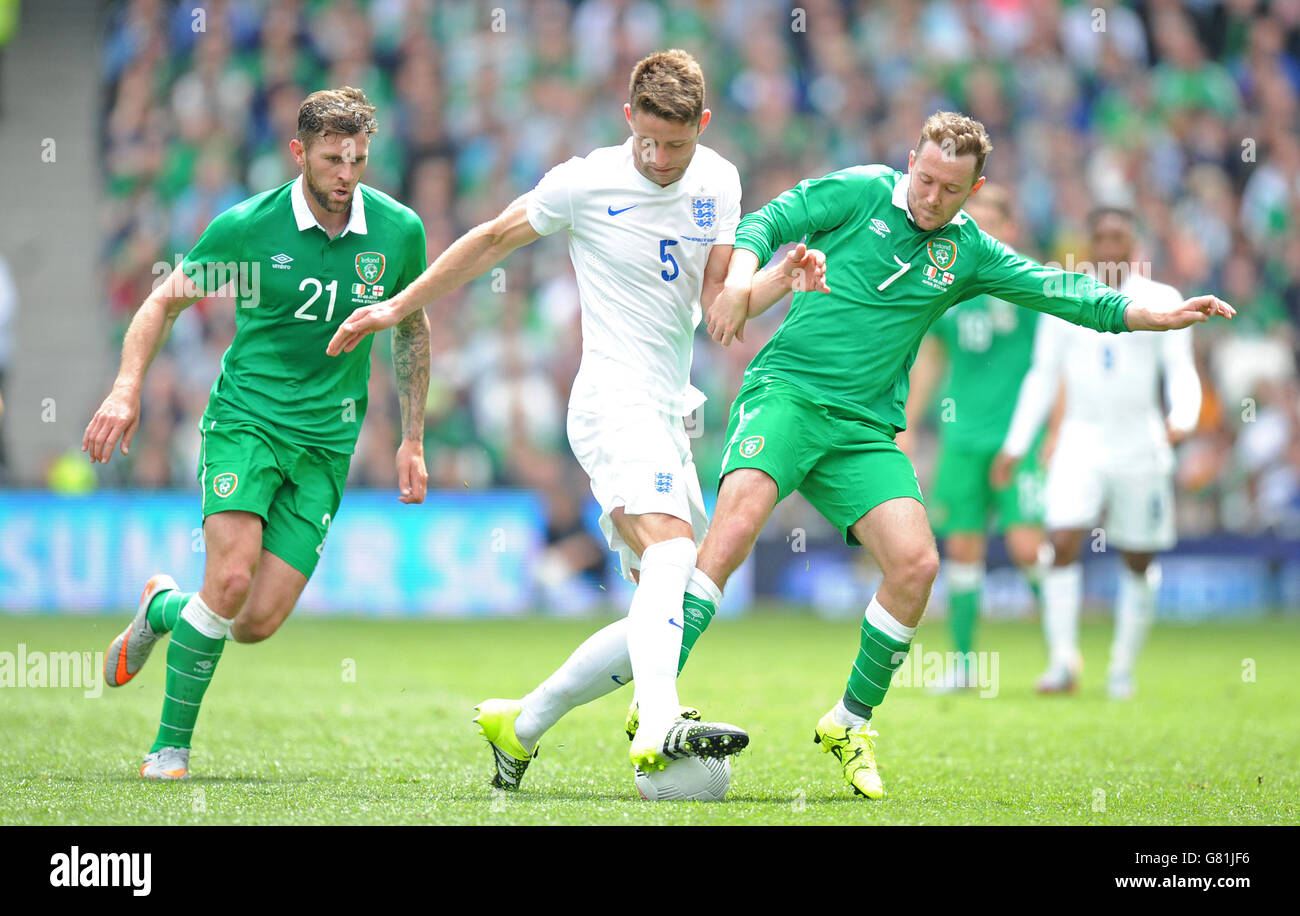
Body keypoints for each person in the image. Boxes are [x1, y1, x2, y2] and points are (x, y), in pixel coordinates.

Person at [690, 111, 1233, 799]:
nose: (932, 197)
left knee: (917, 566)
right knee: (734, 530)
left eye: (951, 189)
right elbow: (764, 222)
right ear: (911, 159)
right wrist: (740, 285)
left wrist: (1148, 316)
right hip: (789, 394)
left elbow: (1058, 289)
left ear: (973, 189)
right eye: (926, 178)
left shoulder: (968, 251)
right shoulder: (858, 192)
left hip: (862, 427)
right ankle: (655, 700)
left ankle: (849, 722)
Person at [328, 50, 824, 787]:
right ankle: (659, 719)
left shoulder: (719, 180)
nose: (659, 158)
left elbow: (722, 308)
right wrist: (402, 305)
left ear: (703, 128)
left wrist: (779, 279)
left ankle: (520, 723)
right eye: (648, 139)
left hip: (669, 411)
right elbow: (493, 237)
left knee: (668, 607)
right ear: (629, 117)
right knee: (672, 556)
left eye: (676, 145)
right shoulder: (585, 181)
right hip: (610, 401)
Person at [83, 87, 432, 780]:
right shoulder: (246, 228)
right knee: (232, 575)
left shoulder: (398, 232)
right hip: (248, 420)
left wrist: (412, 438)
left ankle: (162, 606)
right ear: (299, 152)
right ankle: (169, 747)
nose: (346, 174)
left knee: (255, 620)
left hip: (327, 443)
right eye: (333, 158)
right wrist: (127, 389)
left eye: (358, 159)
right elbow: (163, 304)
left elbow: (412, 332)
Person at [991, 207, 1201, 699]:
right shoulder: (1065, 296)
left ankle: (1122, 668)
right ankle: (1063, 662)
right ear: (1089, 243)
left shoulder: (1161, 298)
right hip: (1080, 440)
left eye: (1118, 237)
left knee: (1138, 558)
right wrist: (1016, 444)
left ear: (1133, 244)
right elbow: (1042, 376)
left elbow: (1181, 369)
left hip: (1140, 443)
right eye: (1100, 237)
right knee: (1061, 540)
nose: (1109, 246)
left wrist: (1183, 418)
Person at [899, 185, 1049, 690]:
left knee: (1028, 547)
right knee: (961, 550)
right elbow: (932, 360)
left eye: (990, 222)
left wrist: (1054, 430)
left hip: (1018, 440)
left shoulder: (1028, 283)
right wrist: (908, 424)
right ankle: (965, 666)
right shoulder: (949, 281)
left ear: (1009, 229)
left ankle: (1063, 652)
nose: (979, 230)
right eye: (973, 220)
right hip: (961, 438)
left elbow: (1056, 365)